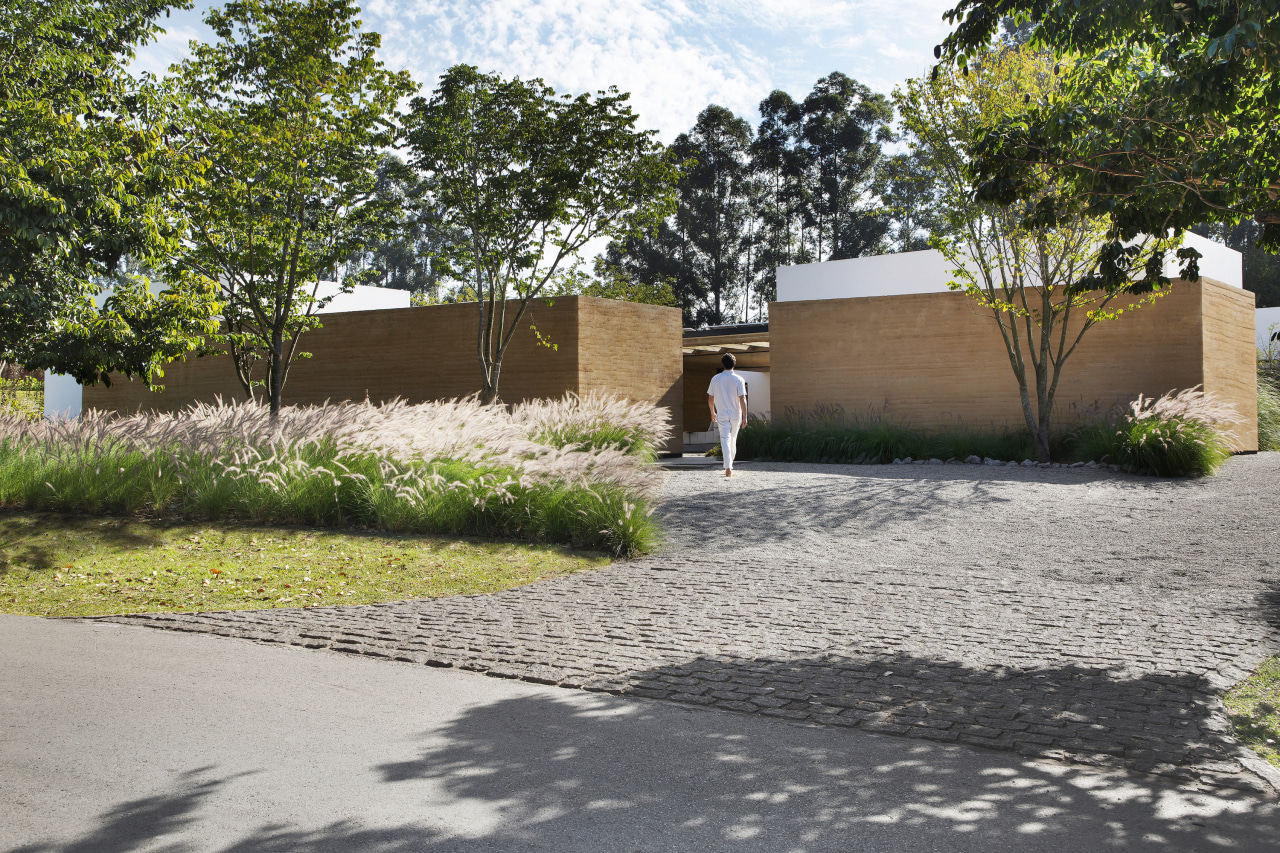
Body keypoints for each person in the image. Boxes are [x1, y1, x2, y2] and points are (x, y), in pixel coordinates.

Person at [707, 353, 748, 477]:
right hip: (736, 413)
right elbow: (742, 399)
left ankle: (728, 466)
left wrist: (712, 412)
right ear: (734, 364)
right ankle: (730, 465)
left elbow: (710, 398)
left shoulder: (715, 379)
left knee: (725, 440)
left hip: (722, 413)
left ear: (723, 364)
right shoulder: (739, 379)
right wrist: (745, 416)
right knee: (733, 439)